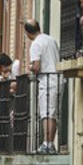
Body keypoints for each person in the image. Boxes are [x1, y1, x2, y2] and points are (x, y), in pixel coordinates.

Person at [25, 19, 61, 154]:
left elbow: (36, 66)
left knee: (46, 113)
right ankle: (50, 143)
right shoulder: (51, 39)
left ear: (28, 33)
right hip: (57, 79)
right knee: (53, 112)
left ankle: (48, 144)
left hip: (47, 81)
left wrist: (30, 67)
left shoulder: (35, 44)